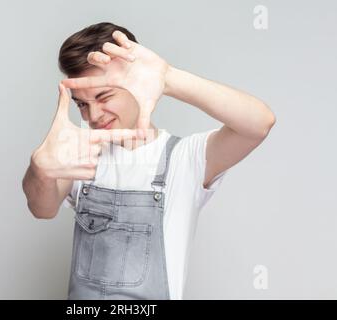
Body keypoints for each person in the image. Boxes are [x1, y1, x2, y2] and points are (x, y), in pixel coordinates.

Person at [22, 22, 276, 300]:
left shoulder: (184, 159)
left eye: (104, 96)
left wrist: (168, 78)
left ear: (136, 84)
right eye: (82, 103)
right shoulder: (80, 155)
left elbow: (259, 123)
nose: (92, 115)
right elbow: (42, 208)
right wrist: (39, 170)